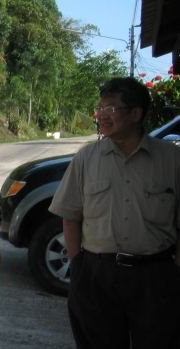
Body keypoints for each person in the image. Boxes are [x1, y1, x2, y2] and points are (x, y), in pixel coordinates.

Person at [49, 77, 180, 349]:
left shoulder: (172, 160)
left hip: (156, 279)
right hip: (97, 277)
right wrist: (79, 269)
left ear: (136, 114)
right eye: (100, 108)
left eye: (111, 108)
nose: (102, 116)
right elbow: (70, 216)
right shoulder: (86, 159)